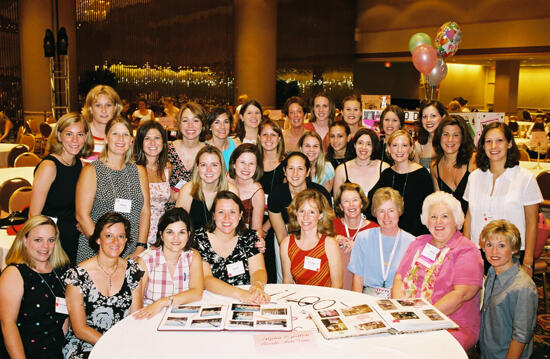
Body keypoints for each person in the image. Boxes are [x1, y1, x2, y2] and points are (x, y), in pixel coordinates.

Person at [392, 191, 483, 350]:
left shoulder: (467, 250)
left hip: (452, 325)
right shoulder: (419, 243)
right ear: (426, 220)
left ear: (457, 220)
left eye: (445, 216)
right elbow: (399, 278)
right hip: (410, 319)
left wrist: (421, 318)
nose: (438, 222)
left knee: (414, 349)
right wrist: (400, 311)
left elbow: (460, 295)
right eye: (433, 217)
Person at [463, 122, 542, 275]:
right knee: (479, 297)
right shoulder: (474, 177)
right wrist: (465, 253)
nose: (493, 146)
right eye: (488, 141)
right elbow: (469, 217)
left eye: (499, 140)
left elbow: (532, 223)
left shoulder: (525, 178)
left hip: (511, 254)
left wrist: (528, 262)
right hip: (478, 253)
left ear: (510, 143)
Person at [63, 212, 143, 359]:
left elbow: (135, 317)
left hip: (122, 343)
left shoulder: (133, 271)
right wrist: (110, 346)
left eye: (120, 236)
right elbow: (79, 329)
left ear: (126, 240)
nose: (115, 242)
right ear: (98, 239)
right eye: (108, 236)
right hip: (86, 345)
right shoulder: (77, 276)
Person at [76, 116, 150, 263]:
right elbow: (82, 216)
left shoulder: (139, 171)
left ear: (131, 140)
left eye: (125, 134)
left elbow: (145, 211)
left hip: (131, 253)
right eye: (115, 133)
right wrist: (105, 249)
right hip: (96, 252)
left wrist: (141, 246)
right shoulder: (91, 171)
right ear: (106, 138)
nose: (120, 139)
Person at [0, 216, 70, 359]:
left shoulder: (61, 271)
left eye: (50, 240)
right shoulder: (15, 274)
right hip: (22, 352)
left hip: (55, 352)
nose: (45, 246)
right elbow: (7, 323)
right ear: (24, 240)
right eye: (38, 240)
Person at [30, 113, 93, 265]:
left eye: (80, 134)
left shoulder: (81, 165)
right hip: (52, 243)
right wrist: (43, 248)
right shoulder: (49, 167)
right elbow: (33, 215)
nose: (75, 140)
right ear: (59, 135)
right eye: (69, 134)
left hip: (73, 240)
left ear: (86, 137)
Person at [195, 191, 270, 303]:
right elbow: (206, 279)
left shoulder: (249, 237)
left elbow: (258, 270)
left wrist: (257, 286)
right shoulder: (200, 239)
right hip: (213, 299)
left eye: (232, 212)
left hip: (247, 299)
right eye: (221, 212)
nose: (227, 218)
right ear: (213, 215)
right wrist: (240, 294)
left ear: (240, 216)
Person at [479, 220, 538, 359]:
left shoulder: (523, 287)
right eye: (489, 245)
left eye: (501, 246)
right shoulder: (492, 273)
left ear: (514, 249)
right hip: (487, 351)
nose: (494, 251)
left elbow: (521, 335)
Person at [134, 208, 204, 319]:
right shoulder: (144, 261)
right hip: (152, 317)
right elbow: (136, 307)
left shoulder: (193, 256)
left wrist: (162, 302)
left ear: (189, 234)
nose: (176, 238)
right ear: (161, 235)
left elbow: (197, 292)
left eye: (181, 232)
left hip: (183, 316)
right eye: (170, 232)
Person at [348, 187, 414, 297]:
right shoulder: (363, 238)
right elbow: (358, 278)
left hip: (400, 298)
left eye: (391, 211)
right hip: (368, 297)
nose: (386, 216)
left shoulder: (412, 242)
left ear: (399, 211)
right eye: (381, 211)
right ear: (375, 213)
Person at [370, 129, 433, 236]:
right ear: (388, 149)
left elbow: (430, 210)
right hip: (389, 234)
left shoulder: (422, 175)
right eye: (395, 145)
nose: (399, 150)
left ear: (411, 148)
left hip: (416, 237)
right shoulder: (387, 174)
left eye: (404, 145)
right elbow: (374, 204)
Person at [280, 189, 343, 288]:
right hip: (297, 299)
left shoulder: (330, 244)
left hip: (326, 300)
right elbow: (287, 281)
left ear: (321, 215)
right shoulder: (286, 244)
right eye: (302, 211)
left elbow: (337, 285)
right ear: (296, 213)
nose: (305, 217)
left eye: (312, 212)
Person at [175, 145, 238, 231]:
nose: (209, 170)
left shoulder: (231, 191)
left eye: (214, 165)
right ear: (197, 167)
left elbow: (235, 227)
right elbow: (177, 226)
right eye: (203, 165)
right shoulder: (187, 190)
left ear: (221, 167)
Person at [134, 120, 174, 246]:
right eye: (147, 138)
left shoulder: (167, 168)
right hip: (137, 231)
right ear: (140, 142)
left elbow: (168, 198)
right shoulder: (133, 168)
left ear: (163, 142)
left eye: (157, 138)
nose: (152, 143)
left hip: (160, 233)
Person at [332, 183, 378, 290]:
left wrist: (359, 248)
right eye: (346, 201)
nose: (351, 204)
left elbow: (378, 264)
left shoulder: (374, 229)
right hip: (335, 287)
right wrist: (331, 243)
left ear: (361, 203)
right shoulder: (331, 227)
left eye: (355, 200)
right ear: (340, 206)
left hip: (365, 287)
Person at [257, 119, 286, 282]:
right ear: (259, 137)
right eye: (265, 134)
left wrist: (267, 226)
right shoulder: (253, 163)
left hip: (276, 225)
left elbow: (285, 200)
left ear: (279, 138)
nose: (269, 139)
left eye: (273, 135)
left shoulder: (286, 165)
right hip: (254, 223)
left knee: (274, 271)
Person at [430, 115, 476, 215]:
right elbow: (439, 205)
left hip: (474, 224)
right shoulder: (435, 167)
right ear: (439, 137)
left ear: (462, 138)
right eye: (446, 134)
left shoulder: (474, 161)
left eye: (456, 135)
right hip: (450, 227)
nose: (450, 139)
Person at [168, 102, 207, 200]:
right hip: (168, 210)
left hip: (198, 209)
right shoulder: (166, 150)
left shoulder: (209, 153)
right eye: (185, 120)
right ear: (179, 124)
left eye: (195, 120)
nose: (190, 125)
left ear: (202, 124)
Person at [334, 127, 389, 198]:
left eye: (369, 144)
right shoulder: (341, 170)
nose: (364, 147)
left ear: (374, 147)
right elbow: (337, 203)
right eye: (360, 143)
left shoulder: (384, 168)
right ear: (354, 145)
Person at [228, 144, 265, 238]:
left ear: (257, 167)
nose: (246, 167)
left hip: (243, 240)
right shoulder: (225, 180)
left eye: (251, 163)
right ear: (233, 164)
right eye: (242, 162)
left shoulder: (257, 192)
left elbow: (257, 229)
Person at [80, 85, 123, 163]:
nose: (104, 110)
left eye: (108, 105)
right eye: (98, 105)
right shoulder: (80, 133)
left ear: (115, 107)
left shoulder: (124, 136)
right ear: (90, 108)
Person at [414, 100, 447, 170]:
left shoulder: (450, 144)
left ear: (443, 117)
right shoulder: (418, 146)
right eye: (424, 116)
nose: (428, 120)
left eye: (433, 116)